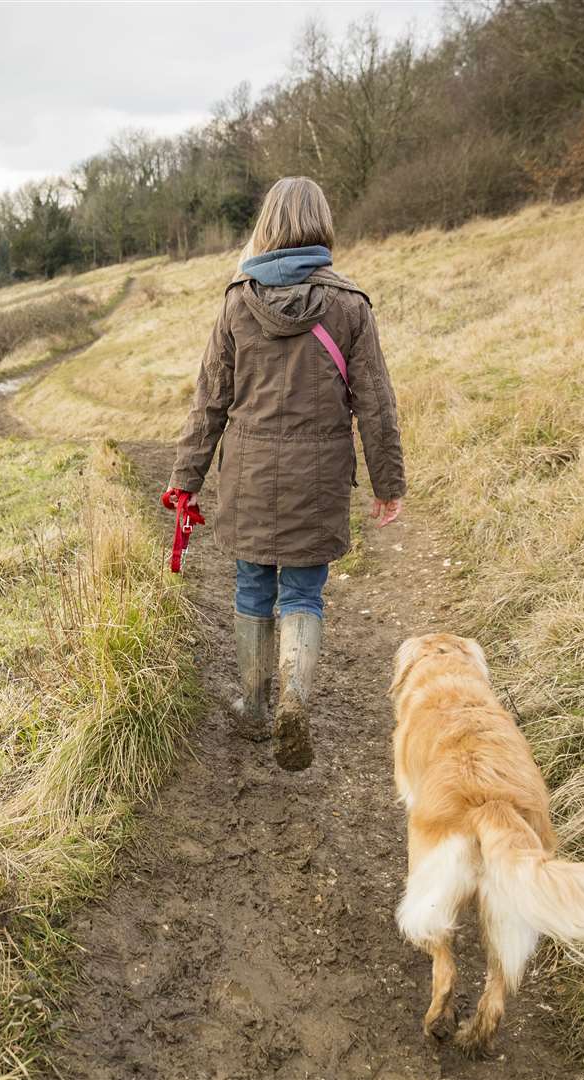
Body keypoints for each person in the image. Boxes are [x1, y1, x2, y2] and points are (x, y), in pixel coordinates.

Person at [163, 176, 405, 771]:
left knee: (252, 586)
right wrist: (387, 483)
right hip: (318, 476)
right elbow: (375, 403)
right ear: (321, 225)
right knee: (303, 592)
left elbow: (210, 402)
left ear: (267, 225)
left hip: (247, 473)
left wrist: (185, 479)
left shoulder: (236, 303)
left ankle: (253, 704)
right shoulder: (350, 306)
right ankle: (296, 700)